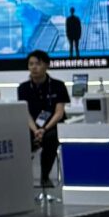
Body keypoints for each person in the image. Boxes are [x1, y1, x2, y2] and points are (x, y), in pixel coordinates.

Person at [16, 49, 69, 196]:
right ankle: (22, 178)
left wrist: (43, 130)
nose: (34, 67)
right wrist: (35, 130)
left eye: (38, 64)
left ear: (46, 65)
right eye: (31, 64)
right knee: (20, 138)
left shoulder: (58, 85)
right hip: (32, 126)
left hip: (53, 126)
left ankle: (45, 176)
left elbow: (59, 112)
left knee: (51, 138)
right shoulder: (23, 88)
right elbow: (25, 112)